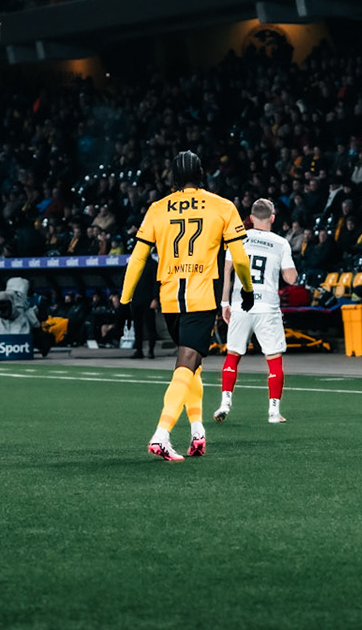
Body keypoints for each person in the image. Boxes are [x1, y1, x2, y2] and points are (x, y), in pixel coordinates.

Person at [119, 150, 254, 462]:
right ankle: (161, 434)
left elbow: (138, 258)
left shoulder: (157, 208)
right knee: (186, 362)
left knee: (192, 364)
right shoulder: (222, 206)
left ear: (173, 178)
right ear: (202, 173)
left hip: (170, 298)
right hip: (201, 295)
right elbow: (241, 259)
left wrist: (125, 299)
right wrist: (246, 289)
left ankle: (197, 430)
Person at [214, 198, 297, 424]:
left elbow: (227, 271)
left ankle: (225, 403)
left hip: (241, 305)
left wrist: (224, 304)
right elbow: (290, 278)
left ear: (250, 218)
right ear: (272, 217)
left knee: (233, 355)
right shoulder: (281, 242)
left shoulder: (238, 238)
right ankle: (273, 411)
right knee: (274, 359)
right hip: (267, 308)